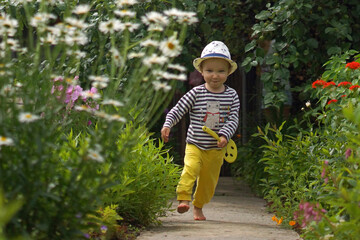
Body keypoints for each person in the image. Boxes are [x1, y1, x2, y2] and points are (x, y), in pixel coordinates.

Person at [161, 41, 240, 221]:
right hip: (195, 143)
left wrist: (224, 135)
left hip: (216, 149)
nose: (215, 75)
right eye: (210, 70)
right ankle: (183, 198)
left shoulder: (232, 95)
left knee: (208, 183)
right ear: (201, 71)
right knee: (190, 168)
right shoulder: (196, 93)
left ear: (228, 72)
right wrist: (168, 124)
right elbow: (178, 109)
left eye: (221, 71)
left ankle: (198, 206)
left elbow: (233, 118)